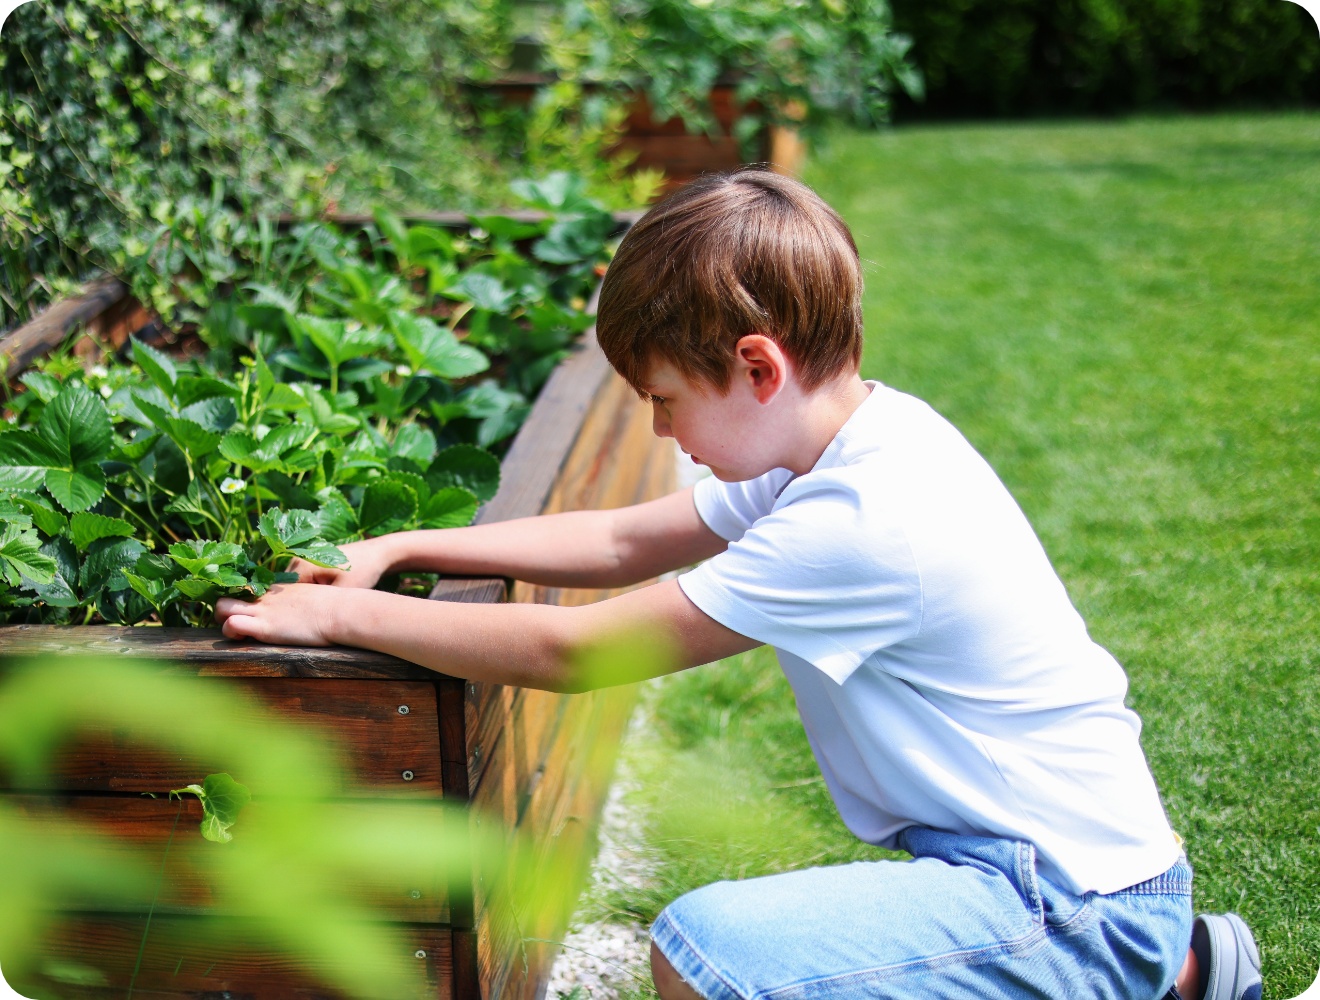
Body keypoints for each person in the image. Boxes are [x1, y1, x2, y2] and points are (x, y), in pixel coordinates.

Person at [215, 169, 1262, 1000]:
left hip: (1066, 897)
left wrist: (342, 614)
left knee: (710, 953)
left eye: (665, 399)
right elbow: (623, 539)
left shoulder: (864, 520)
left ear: (759, 368)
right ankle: (1175, 972)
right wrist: (403, 545)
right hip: (1060, 866)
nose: (659, 428)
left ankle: (1140, 969)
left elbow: (579, 651)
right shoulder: (846, 440)